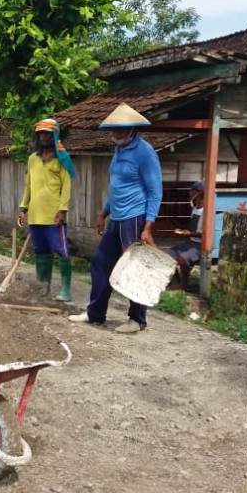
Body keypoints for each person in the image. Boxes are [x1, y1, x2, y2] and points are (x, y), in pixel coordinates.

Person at [69, 103, 163, 334]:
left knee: (134, 268)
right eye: (114, 129)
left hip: (135, 217)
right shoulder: (119, 150)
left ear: (133, 129)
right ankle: (95, 313)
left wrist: (148, 225)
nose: (117, 133)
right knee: (101, 262)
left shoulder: (145, 153)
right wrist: (103, 213)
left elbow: (155, 191)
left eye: (122, 129)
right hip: (117, 217)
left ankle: (137, 320)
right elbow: (117, 187)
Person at [15, 118, 75, 302]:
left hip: (54, 214)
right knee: (41, 251)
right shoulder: (32, 159)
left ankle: (65, 289)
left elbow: (66, 186)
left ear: (54, 135)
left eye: (47, 134)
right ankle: (43, 285)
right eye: (40, 133)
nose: (43, 137)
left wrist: (63, 210)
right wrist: (22, 208)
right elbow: (28, 186)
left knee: (62, 250)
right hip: (35, 214)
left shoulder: (62, 159)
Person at [167, 181, 204, 291]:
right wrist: (184, 231)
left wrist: (190, 233)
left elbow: (206, 234)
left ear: (199, 193)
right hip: (191, 241)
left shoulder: (207, 211)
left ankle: (184, 285)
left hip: (200, 244)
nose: (190, 193)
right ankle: (176, 282)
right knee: (169, 254)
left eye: (193, 191)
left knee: (183, 258)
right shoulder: (195, 208)